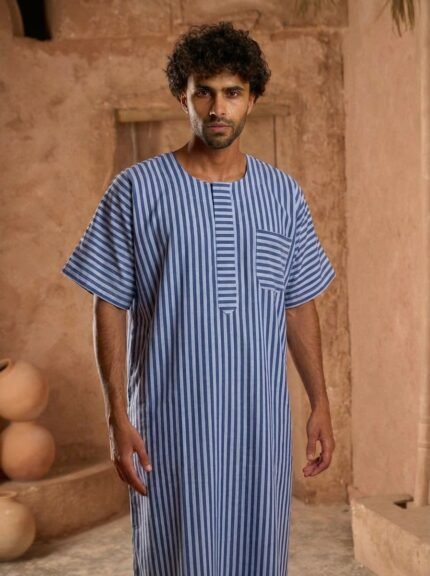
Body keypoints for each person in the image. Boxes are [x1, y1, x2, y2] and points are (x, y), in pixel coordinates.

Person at [62, 21, 336, 576]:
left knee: (260, 557)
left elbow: (298, 302)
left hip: (259, 425)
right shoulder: (136, 191)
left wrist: (321, 403)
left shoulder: (282, 195)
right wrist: (116, 417)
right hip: (171, 425)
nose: (217, 108)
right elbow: (109, 303)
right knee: (176, 557)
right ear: (182, 98)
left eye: (232, 93)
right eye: (204, 92)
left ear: (252, 99)